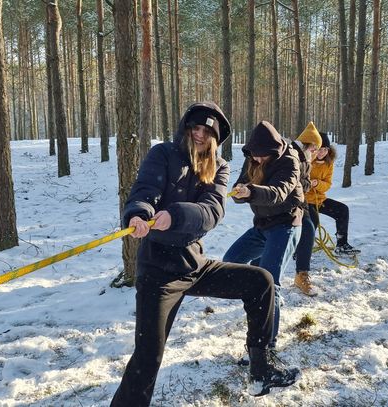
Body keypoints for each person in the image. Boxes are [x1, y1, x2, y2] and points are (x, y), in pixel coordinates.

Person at [110, 103, 299, 407]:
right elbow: (145, 191)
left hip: (192, 264)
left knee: (261, 281)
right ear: (186, 128)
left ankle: (260, 370)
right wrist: (138, 214)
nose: (199, 135)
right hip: (158, 270)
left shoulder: (219, 167)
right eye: (194, 128)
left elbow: (212, 211)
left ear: (215, 137)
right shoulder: (163, 155)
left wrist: (175, 215)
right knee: (148, 357)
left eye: (206, 131)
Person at [222, 120, 303, 349]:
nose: (256, 160)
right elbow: (241, 184)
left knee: (270, 285)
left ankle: (267, 345)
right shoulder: (253, 157)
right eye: (253, 155)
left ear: (272, 150)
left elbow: (277, 193)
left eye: (260, 156)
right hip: (262, 225)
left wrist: (251, 192)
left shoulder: (290, 162)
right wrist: (239, 192)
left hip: (286, 225)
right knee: (231, 262)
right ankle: (258, 297)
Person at [306, 132, 361, 255]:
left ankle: (342, 244)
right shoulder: (307, 161)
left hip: (319, 200)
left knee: (342, 210)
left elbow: (327, 185)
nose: (322, 152)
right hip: (304, 201)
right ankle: (302, 250)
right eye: (319, 149)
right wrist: (308, 183)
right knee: (312, 221)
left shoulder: (329, 164)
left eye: (325, 149)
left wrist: (317, 184)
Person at [289, 122, 322, 296]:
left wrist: (307, 184)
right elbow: (293, 182)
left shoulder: (306, 159)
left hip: (301, 201)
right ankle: (301, 274)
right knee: (307, 228)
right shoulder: (292, 155)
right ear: (307, 145)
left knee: (312, 224)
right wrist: (305, 184)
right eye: (315, 148)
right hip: (287, 203)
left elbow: (304, 182)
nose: (316, 152)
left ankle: (301, 270)